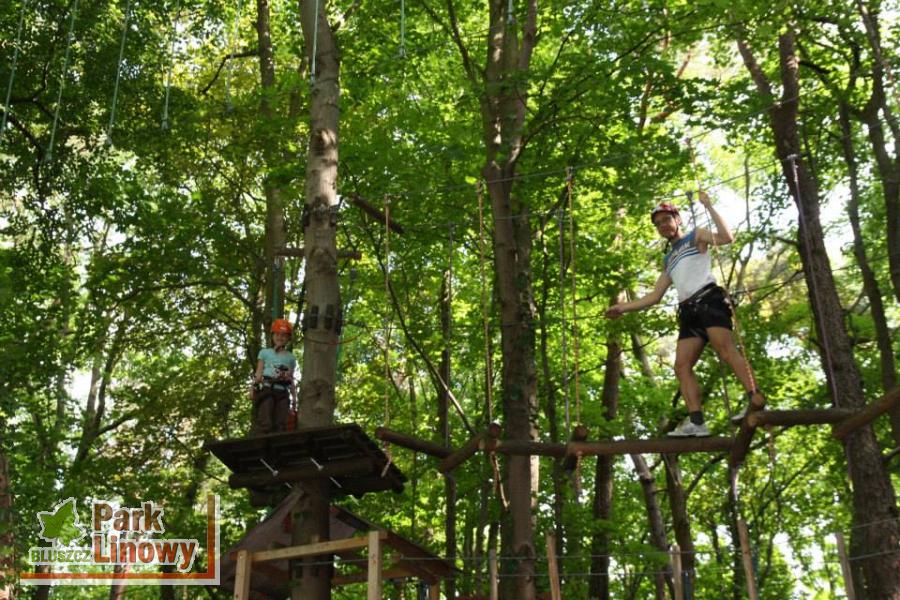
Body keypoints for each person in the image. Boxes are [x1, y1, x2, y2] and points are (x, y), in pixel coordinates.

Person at [605, 191, 763, 437]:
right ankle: (697, 422)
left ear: (677, 220)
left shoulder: (695, 236)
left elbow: (726, 237)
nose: (663, 226)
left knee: (725, 350)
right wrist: (622, 308)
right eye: (658, 224)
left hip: (709, 301)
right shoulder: (669, 259)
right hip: (688, 312)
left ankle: (756, 399)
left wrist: (709, 206)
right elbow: (655, 296)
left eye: (666, 220)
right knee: (681, 366)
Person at [249, 319, 298, 436]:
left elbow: (290, 378)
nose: (280, 337)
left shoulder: (291, 358)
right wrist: (252, 388)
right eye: (277, 334)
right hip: (267, 390)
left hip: (283, 392)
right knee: (265, 420)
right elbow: (258, 373)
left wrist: (294, 397)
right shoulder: (265, 353)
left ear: (288, 338)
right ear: (272, 335)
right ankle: (261, 441)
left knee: (280, 423)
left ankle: (278, 444)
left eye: (283, 335)